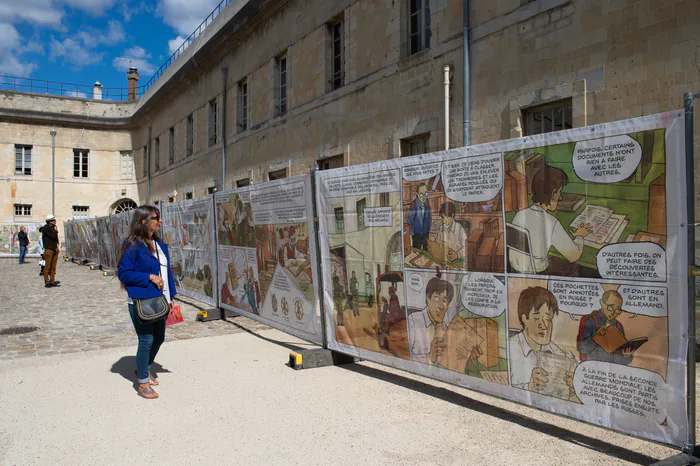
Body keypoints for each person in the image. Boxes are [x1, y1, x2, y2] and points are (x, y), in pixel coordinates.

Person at [117, 205, 177, 400]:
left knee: (159, 338)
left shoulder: (159, 245)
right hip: (141, 301)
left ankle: (143, 366)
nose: (159, 221)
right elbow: (124, 273)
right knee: (146, 339)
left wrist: (171, 297)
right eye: (155, 218)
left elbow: (167, 274)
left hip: (160, 300)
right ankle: (143, 382)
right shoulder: (132, 245)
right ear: (143, 221)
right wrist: (149, 277)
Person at [509, 166, 591, 275]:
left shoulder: (520, 214)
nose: (560, 197)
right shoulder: (551, 222)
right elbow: (573, 255)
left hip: (516, 270)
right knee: (574, 267)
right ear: (553, 194)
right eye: (559, 192)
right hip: (539, 273)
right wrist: (580, 236)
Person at [508, 286, 576, 400]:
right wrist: (530, 388)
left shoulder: (564, 355)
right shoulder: (509, 348)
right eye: (537, 318)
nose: (544, 325)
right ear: (524, 319)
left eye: (548, 318)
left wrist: (574, 389)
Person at [577, 290, 635, 365]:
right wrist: (596, 338)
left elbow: (621, 360)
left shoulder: (618, 326)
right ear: (602, 303)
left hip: (613, 368)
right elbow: (582, 349)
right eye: (611, 307)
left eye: (617, 310)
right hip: (594, 366)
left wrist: (627, 356)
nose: (613, 313)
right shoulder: (592, 321)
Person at [406, 183, 432, 251]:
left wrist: (428, 229)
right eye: (421, 194)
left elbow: (429, 216)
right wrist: (412, 233)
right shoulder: (413, 205)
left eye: (426, 194)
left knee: (426, 250)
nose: (424, 196)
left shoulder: (427, 203)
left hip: (426, 232)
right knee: (416, 250)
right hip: (417, 234)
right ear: (417, 194)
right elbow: (409, 220)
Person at [42, 215, 61, 288]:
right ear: (49, 221)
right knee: (47, 266)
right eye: (53, 220)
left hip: (54, 249)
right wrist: (55, 230)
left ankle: (52, 280)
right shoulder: (46, 228)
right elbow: (53, 236)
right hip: (49, 249)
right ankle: (47, 281)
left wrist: (57, 247)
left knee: (53, 266)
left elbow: (56, 239)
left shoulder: (52, 228)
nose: (54, 221)